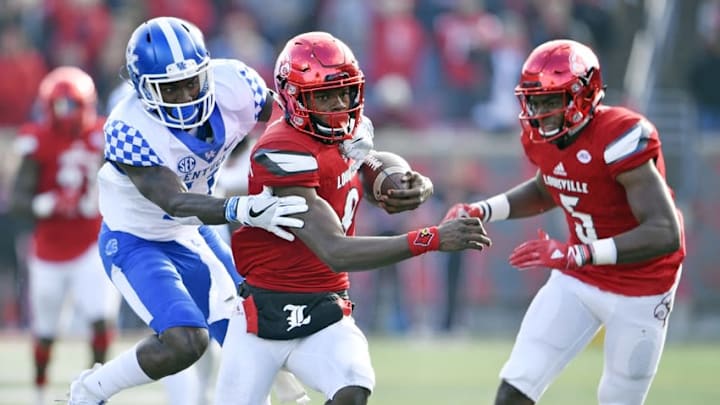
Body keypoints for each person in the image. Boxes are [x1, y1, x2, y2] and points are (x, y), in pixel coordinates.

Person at [213, 31, 492, 405]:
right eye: (324, 96)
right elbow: (335, 249)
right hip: (261, 317)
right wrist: (432, 239)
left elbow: (368, 165)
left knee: (353, 386)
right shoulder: (280, 149)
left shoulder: (349, 129)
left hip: (326, 310)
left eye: (345, 92)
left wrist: (407, 179)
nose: (339, 105)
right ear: (294, 98)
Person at [67, 16, 310, 405]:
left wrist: (351, 143)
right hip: (137, 240)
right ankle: (91, 389)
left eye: (190, 83)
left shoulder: (235, 83)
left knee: (252, 336)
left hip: (193, 233)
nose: (184, 96)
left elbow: (292, 119)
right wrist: (244, 208)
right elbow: (175, 203)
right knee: (185, 340)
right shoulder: (128, 126)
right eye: (170, 88)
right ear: (143, 89)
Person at [444, 39, 686, 405]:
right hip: (578, 278)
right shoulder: (542, 138)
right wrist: (483, 210)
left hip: (642, 285)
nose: (539, 111)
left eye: (550, 100)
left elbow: (665, 232)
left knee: (618, 399)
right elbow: (551, 185)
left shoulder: (620, 135)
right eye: (534, 100)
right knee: (515, 387)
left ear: (583, 96)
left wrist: (577, 253)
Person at [9, 66, 120, 405]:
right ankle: (40, 390)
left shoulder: (105, 134)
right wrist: (49, 203)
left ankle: (93, 390)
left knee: (100, 318)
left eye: (72, 105)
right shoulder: (38, 139)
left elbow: (130, 180)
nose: (66, 113)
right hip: (49, 251)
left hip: (91, 243)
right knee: (45, 330)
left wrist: (102, 200)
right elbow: (18, 199)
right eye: (60, 106)